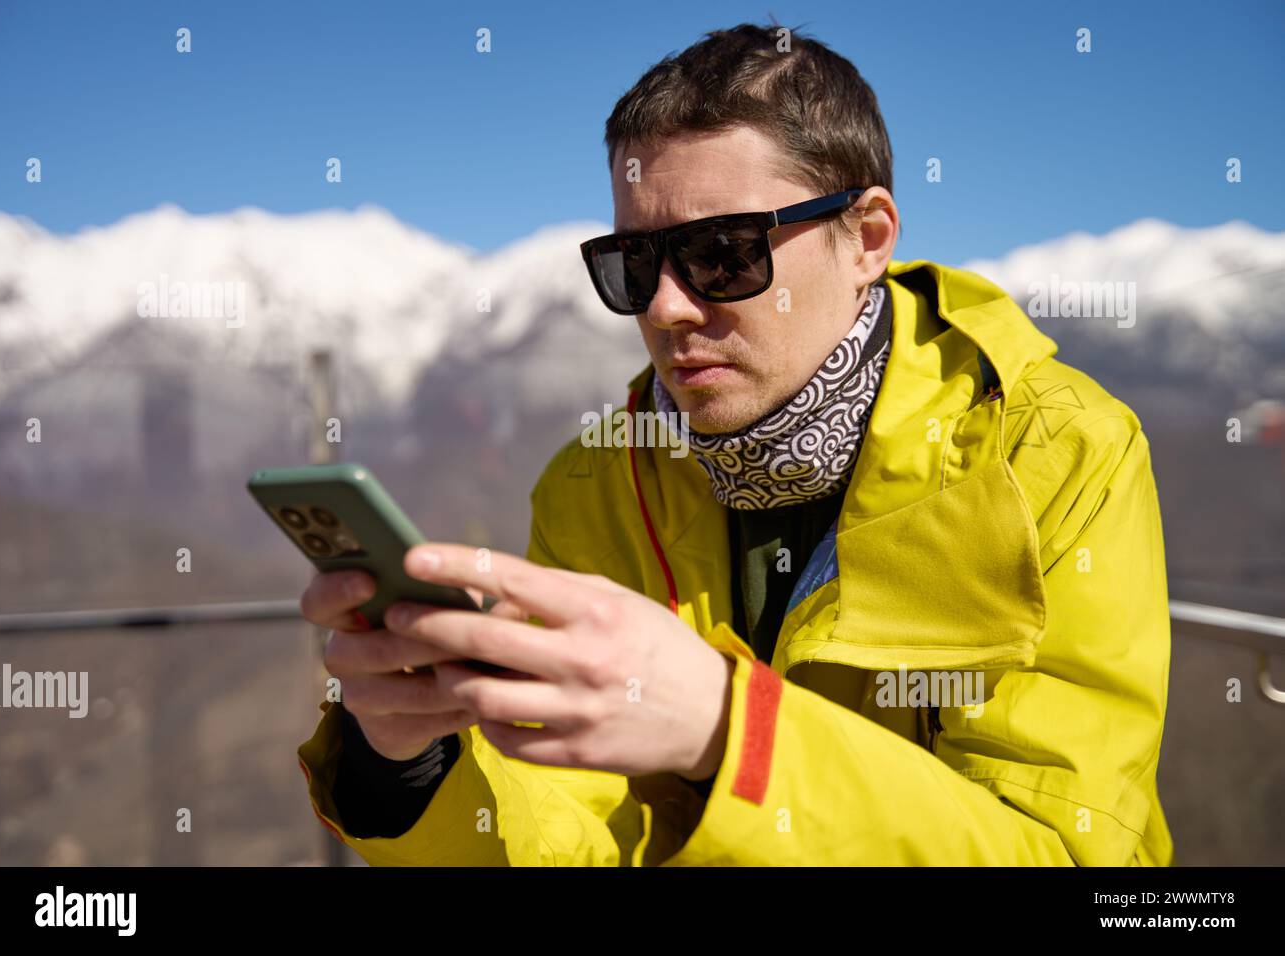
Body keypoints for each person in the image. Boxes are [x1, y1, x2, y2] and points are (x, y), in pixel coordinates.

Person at [296, 22, 1174, 866]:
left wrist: (732, 734)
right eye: (633, 266)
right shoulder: (593, 482)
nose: (666, 308)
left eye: (722, 254)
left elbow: (1066, 856)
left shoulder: (1055, 454)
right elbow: (585, 830)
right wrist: (407, 768)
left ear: (865, 239)